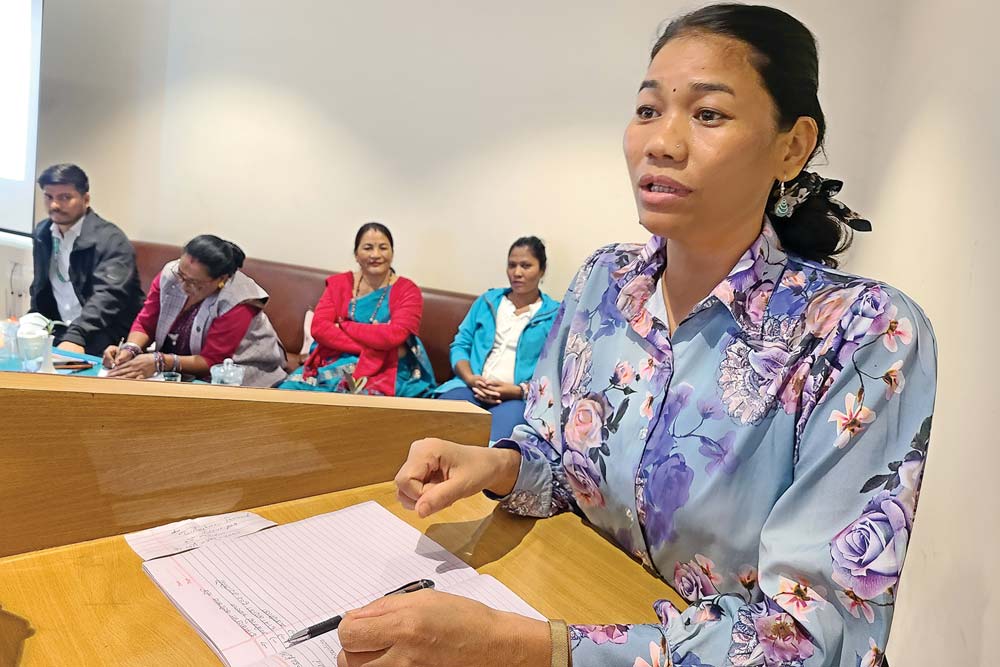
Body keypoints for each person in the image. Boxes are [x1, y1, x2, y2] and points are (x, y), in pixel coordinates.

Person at [341, 5, 938, 667]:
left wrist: (518, 648)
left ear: (791, 146)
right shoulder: (604, 281)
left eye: (708, 114)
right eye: (648, 110)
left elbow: (814, 643)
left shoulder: (861, 333)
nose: (662, 142)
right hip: (564, 596)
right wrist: (500, 465)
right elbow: (560, 463)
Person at [103, 235, 287, 387]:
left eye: (194, 282)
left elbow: (212, 361)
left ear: (221, 280)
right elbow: (146, 322)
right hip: (176, 369)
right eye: (181, 275)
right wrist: (130, 349)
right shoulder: (171, 275)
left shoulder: (239, 300)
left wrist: (160, 362)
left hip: (236, 374)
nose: (183, 285)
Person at [279, 223, 435, 396]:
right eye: (368, 248)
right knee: (288, 392)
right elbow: (320, 328)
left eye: (383, 248)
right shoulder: (339, 284)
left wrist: (344, 325)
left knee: (360, 398)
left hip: (387, 366)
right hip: (337, 358)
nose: (375, 255)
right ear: (356, 255)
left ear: (392, 253)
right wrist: (374, 344)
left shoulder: (407, 290)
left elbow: (395, 335)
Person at [435, 237, 559, 441]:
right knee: (439, 429)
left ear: (542, 270)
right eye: (512, 265)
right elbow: (460, 344)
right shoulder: (487, 301)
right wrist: (470, 378)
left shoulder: (554, 314)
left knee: (494, 443)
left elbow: (553, 369)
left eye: (526, 266)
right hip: (469, 387)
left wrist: (518, 391)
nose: (517, 272)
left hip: (517, 399)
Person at [29, 163, 144, 356]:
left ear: (86, 199)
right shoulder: (43, 233)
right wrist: (32, 321)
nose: (54, 205)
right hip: (61, 330)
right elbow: (40, 286)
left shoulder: (112, 240)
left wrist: (77, 335)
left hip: (104, 335)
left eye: (65, 197)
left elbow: (108, 297)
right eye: (49, 197)